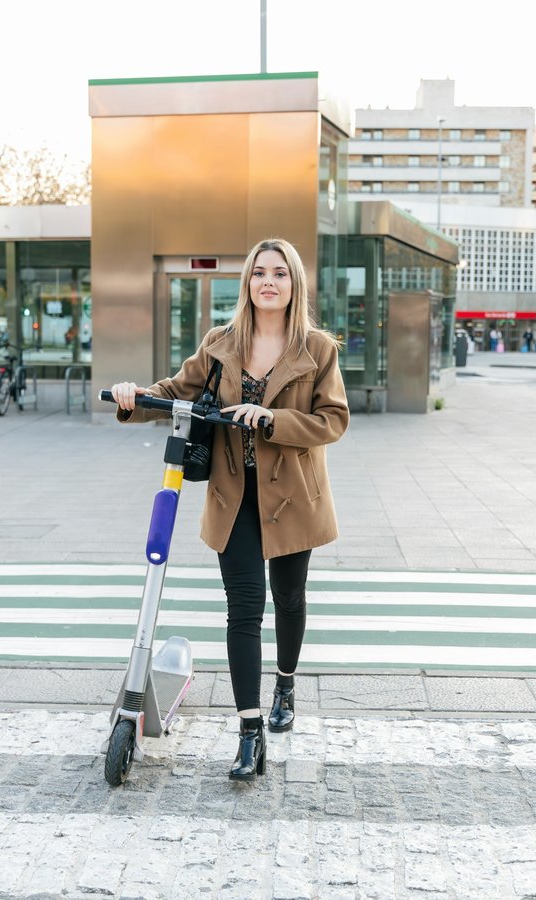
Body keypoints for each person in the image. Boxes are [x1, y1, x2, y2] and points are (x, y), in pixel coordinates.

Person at [110, 238, 350, 782]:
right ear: (247, 282)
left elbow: (332, 421)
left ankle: (285, 680)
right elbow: (175, 390)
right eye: (259, 272)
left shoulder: (317, 348)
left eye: (280, 273)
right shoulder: (221, 342)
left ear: (294, 284)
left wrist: (271, 420)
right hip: (233, 496)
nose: (269, 281)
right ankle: (249, 731)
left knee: (288, 598)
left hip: (292, 498)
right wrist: (133, 395)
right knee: (244, 612)